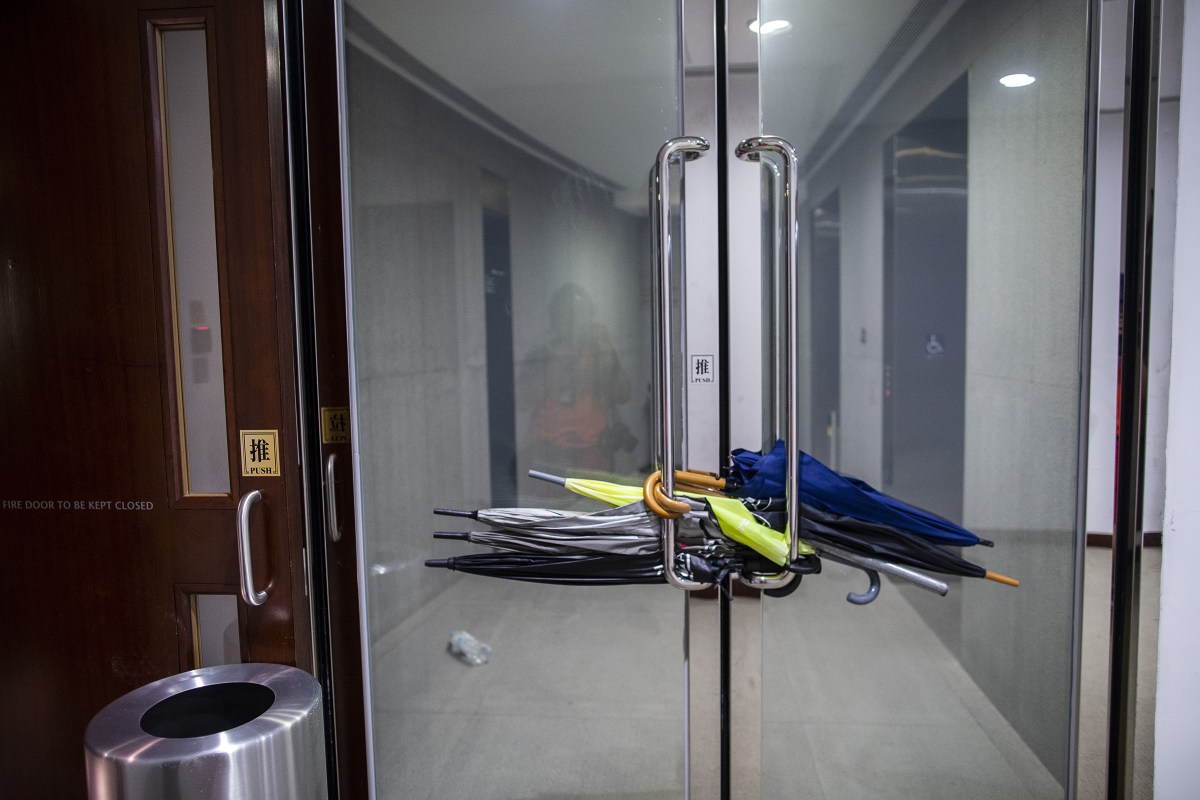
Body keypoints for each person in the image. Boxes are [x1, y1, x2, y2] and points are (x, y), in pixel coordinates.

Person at [522, 283, 634, 473]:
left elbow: (623, 395)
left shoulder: (600, 352)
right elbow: (522, 401)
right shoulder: (541, 354)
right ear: (554, 320)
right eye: (565, 317)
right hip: (547, 452)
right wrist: (550, 369)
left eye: (578, 316)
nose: (571, 324)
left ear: (589, 319)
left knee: (592, 503)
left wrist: (606, 352)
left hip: (593, 453)